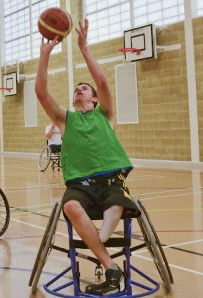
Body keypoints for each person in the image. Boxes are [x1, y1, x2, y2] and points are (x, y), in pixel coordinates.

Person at [35, 19, 140, 296]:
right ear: (73, 102)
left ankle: (100, 239)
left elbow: (103, 81)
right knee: (70, 207)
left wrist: (84, 48)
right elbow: (41, 92)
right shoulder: (65, 119)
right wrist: (44, 56)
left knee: (116, 200)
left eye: (85, 89)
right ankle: (110, 264)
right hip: (80, 185)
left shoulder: (104, 114)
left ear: (94, 100)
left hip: (111, 180)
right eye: (77, 89)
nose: (79, 90)